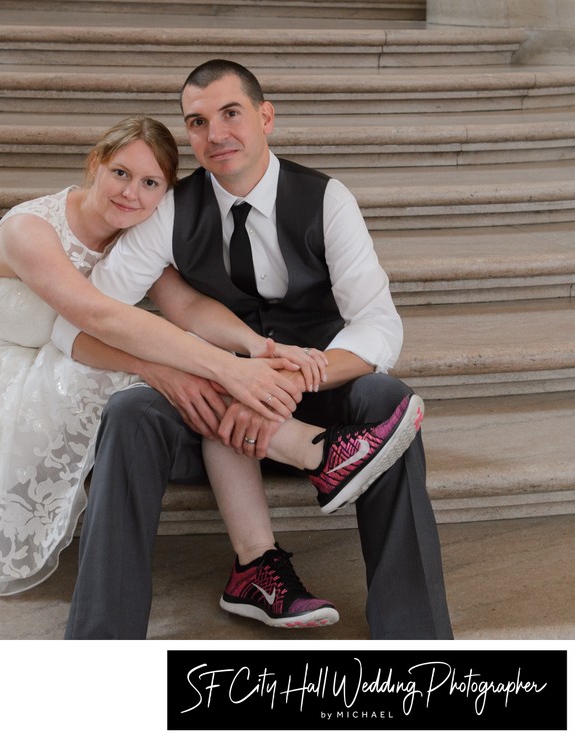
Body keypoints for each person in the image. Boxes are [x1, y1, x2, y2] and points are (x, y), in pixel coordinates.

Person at [0, 115, 314, 595]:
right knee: (137, 371)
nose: (130, 194)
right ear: (95, 163)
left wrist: (256, 346)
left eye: (150, 183)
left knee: (169, 361)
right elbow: (96, 317)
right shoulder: (30, 229)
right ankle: (309, 449)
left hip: (68, 357)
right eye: (120, 173)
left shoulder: (132, 234)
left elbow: (184, 304)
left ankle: (287, 492)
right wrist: (195, 367)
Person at [56, 60, 453, 639]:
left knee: (387, 398)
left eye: (231, 113)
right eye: (197, 122)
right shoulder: (169, 208)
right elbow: (88, 317)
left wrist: (287, 383)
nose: (215, 134)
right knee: (130, 412)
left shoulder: (326, 199)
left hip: (315, 393)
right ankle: (102, 639)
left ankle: (415, 638)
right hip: (213, 402)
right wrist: (209, 378)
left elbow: (377, 325)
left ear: (266, 117)